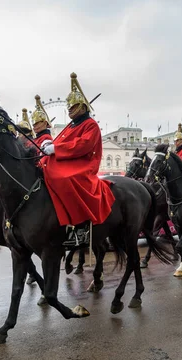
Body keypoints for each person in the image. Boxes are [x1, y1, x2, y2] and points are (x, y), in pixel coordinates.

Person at [38, 72, 115, 247]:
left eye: (73, 107)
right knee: (42, 167)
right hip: (68, 159)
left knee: (65, 177)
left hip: (83, 162)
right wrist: (50, 145)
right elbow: (62, 141)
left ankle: (80, 225)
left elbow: (83, 145)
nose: (69, 110)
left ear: (82, 107)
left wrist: (56, 149)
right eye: (69, 107)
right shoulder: (72, 124)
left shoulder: (90, 125)